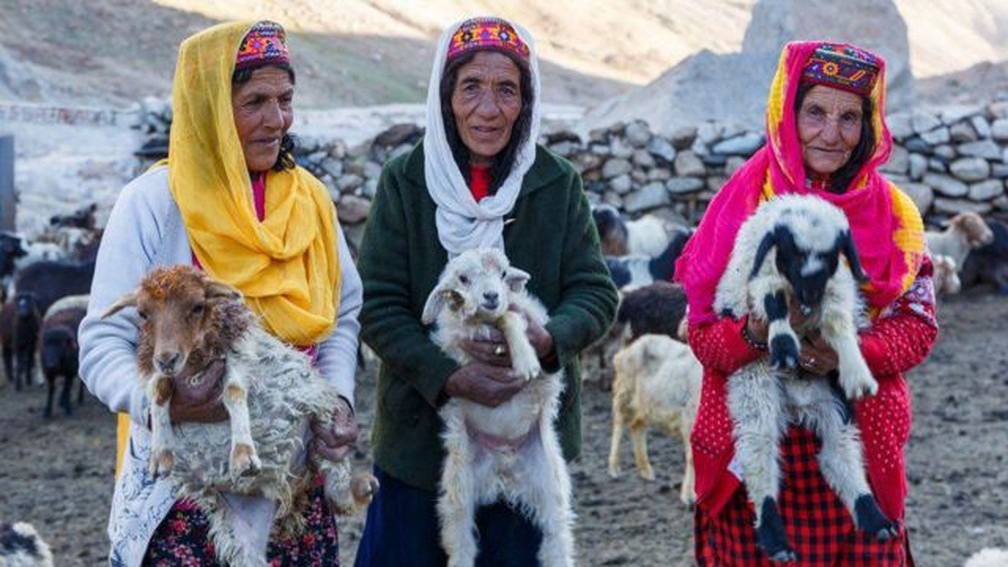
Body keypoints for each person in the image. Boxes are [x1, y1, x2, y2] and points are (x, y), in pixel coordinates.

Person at [78, 21, 363, 565]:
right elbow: (100, 343)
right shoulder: (155, 203)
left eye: (285, 100)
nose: (276, 120)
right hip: (183, 495)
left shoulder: (311, 202)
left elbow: (343, 314)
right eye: (254, 101)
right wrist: (166, 402)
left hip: (291, 489)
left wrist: (338, 401)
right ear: (209, 107)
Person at [352, 16, 619, 566]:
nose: (489, 109)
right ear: (446, 95)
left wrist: (546, 342)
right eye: (471, 87)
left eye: (507, 90)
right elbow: (377, 305)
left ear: (527, 100)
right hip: (421, 448)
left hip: (526, 447)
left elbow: (595, 291)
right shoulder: (405, 181)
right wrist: (449, 375)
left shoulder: (555, 182)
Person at [675, 41, 939, 565]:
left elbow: (919, 323)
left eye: (849, 118)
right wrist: (757, 333)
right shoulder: (742, 206)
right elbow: (704, 336)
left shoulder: (896, 217)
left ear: (869, 127)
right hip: (747, 448)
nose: (831, 133)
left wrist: (847, 354)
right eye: (815, 112)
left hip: (857, 439)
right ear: (787, 113)